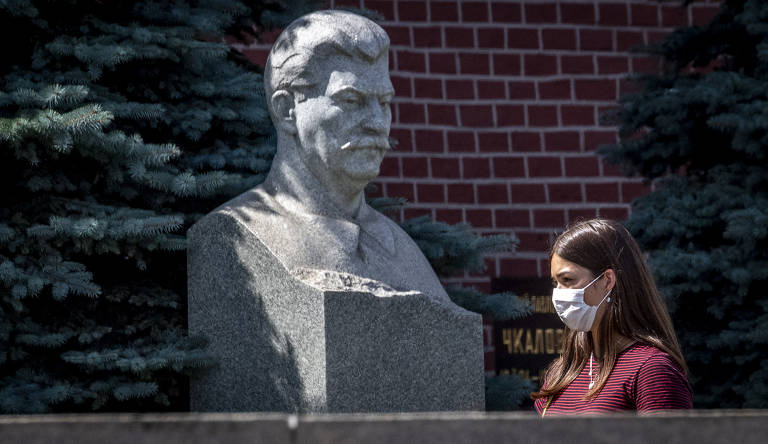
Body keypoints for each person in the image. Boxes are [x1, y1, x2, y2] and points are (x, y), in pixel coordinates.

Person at [532, 218, 693, 415]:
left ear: (607, 281)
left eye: (568, 280)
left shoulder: (652, 371)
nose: (559, 293)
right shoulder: (563, 371)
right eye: (556, 282)